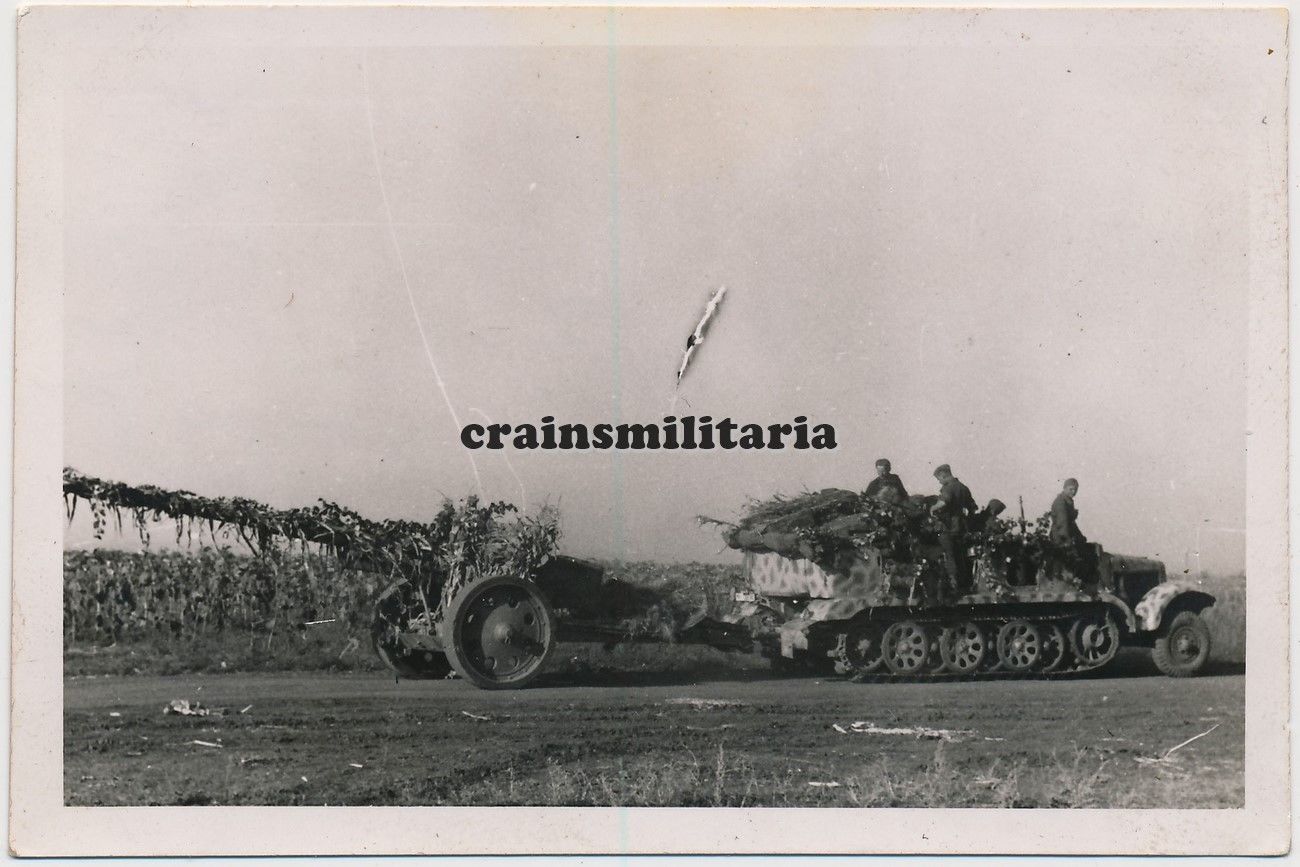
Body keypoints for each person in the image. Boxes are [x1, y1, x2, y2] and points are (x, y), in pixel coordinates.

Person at [929, 464, 978, 596]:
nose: (939, 482)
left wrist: (932, 508)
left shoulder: (948, 487)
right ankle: (964, 583)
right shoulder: (963, 487)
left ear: (943, 475)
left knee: (949, 554)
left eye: (939, 479)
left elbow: (944, 502)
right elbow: (973, 507)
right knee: (960, 554)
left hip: (948, 526)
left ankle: (953, 584)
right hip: (961, 527)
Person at [1049, 478, 1096, 582]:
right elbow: (1063, 524)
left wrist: (1080, 537)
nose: (1073, 492)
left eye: (1075, 489)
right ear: (1064, 488)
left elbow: (1071, 524)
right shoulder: (1061, 502)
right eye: (1071, 489)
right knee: (1078, 557)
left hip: (1068, 533)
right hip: (1061, 536)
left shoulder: (1067, 500)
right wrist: (1067, 541)